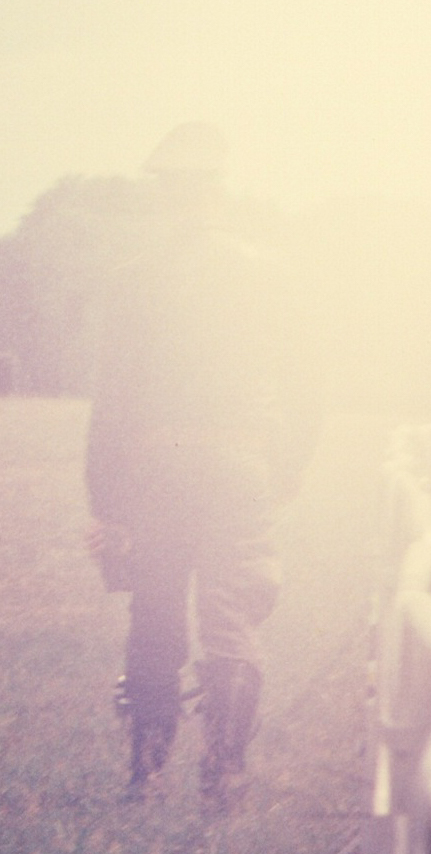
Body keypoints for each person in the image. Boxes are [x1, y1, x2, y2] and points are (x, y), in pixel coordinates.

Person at [85, 122, 318, 805]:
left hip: (158, 462)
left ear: (165, 197)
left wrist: (104, 499)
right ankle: (223, 767)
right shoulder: (269, 272)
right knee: (231, 616)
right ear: (218, 191)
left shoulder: (134, 280)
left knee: (154, 615)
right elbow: (309, 383)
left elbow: (111, 400)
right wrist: (288, 462)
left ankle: (147, 767)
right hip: (241, 459)